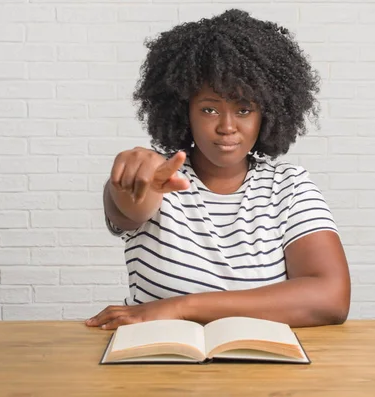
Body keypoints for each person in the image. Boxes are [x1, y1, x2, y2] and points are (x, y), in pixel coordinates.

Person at [85, 9, 351, 330]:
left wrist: (182, 307)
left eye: (244, 109)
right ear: (185, 112)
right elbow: (127, 207)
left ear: (266, 115)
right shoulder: (159, 179)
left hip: (262, 365)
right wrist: (127, 187)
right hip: (155, 363)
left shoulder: (290, 189)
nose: (227, 126)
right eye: (209, 109)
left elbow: (331, 298)